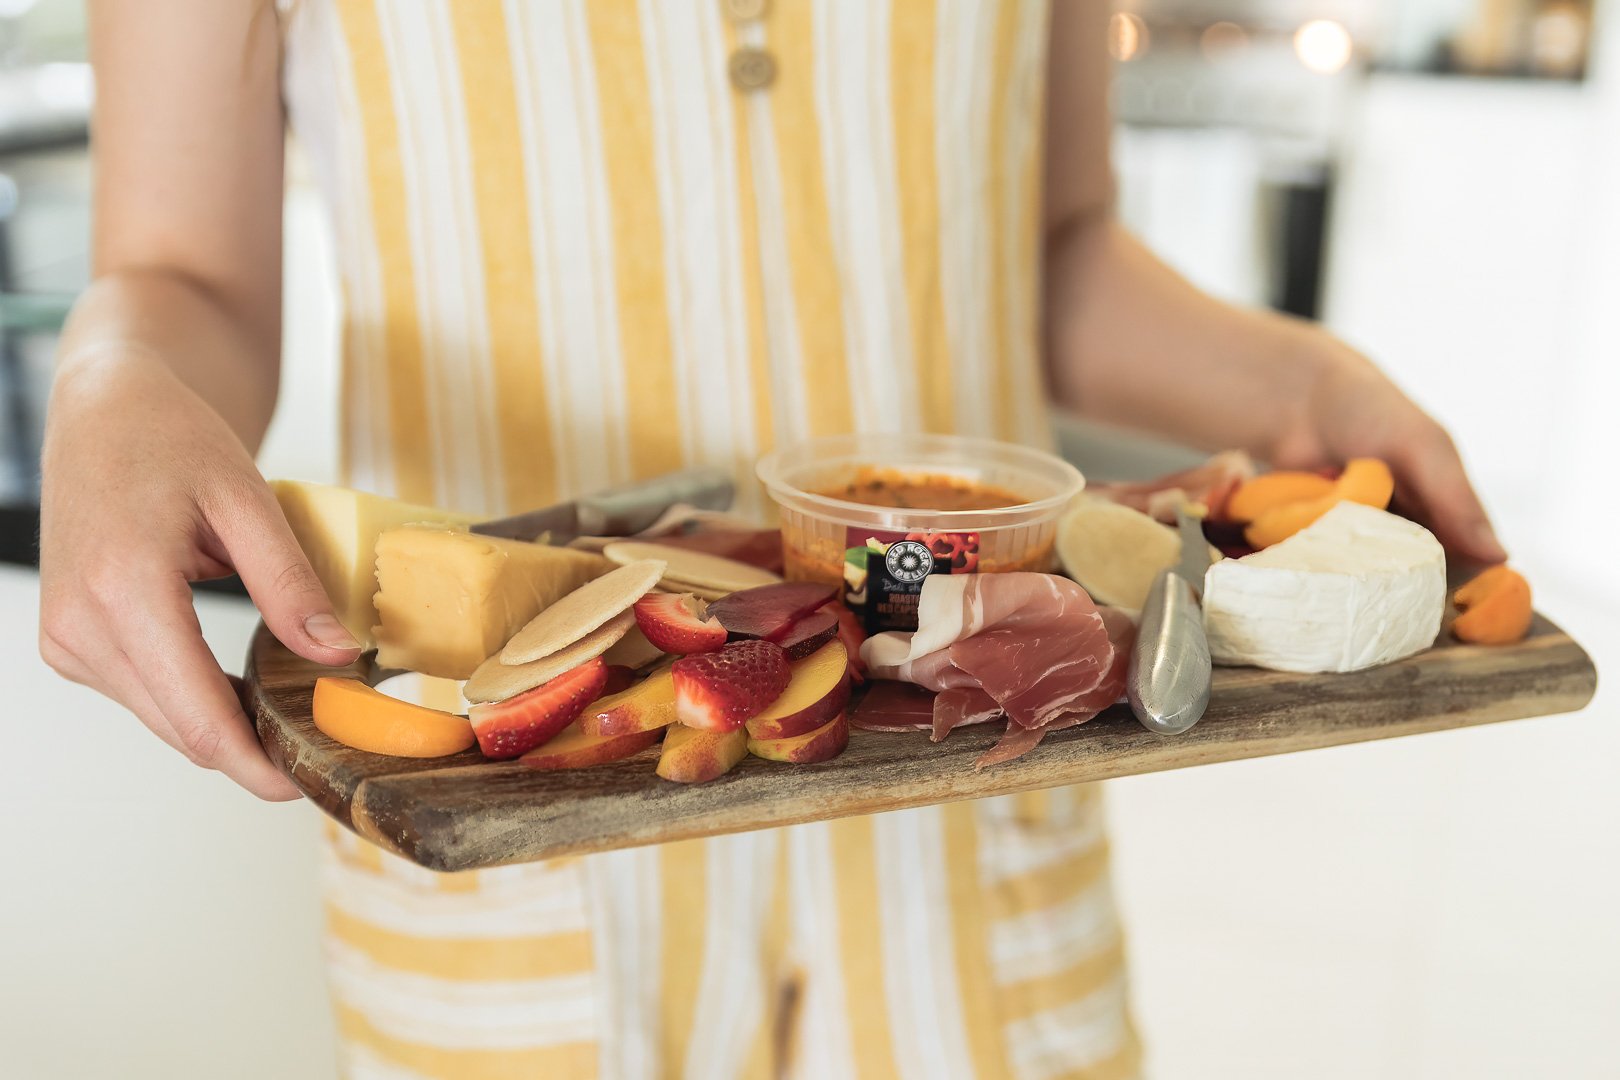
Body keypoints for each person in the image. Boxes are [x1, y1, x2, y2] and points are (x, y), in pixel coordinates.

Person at [40, 2, 1504, 1077]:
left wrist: (1298, 382)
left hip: (968, 825)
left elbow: (1053, 249)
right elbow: (183, 272)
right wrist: (115, 379)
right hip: (542, 859)